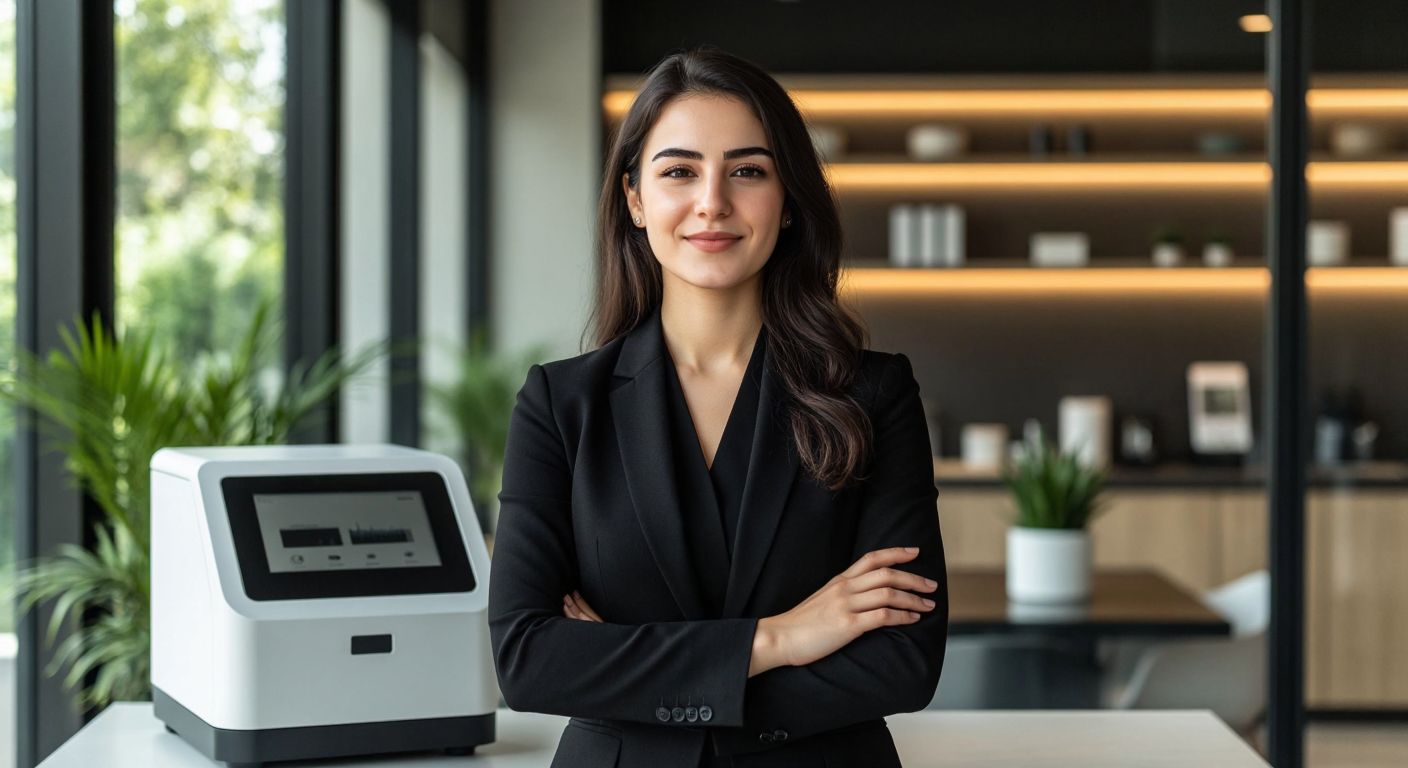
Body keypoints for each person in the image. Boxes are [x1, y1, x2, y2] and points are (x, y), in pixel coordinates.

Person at [487, 46, 948, 768]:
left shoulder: (872, 394)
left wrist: (627, 671)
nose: (712, 202)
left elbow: (904, 662)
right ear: (635, 200)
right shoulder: (559, 403)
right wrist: (781, 637)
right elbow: (528, 658)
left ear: (788, 200)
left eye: (747, 171)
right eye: (678, 171)